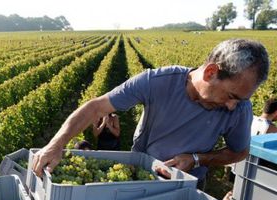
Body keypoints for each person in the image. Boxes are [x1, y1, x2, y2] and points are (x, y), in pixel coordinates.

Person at [32, 39, 269, 190]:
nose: (231, 106)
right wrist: (56, 144)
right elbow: (95, 107)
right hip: (141, 176)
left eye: (240, 100)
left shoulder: (240, 107)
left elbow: (240, 152)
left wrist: (198, 159)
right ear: (210, 73)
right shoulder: (157, 82)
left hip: (188, 186)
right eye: (230, 96)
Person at [222, 98, 277, 200]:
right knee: (237, 194)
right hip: (249, 167)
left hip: (236, 162)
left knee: (235, 193)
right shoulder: (271, 129)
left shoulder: (251, 118)